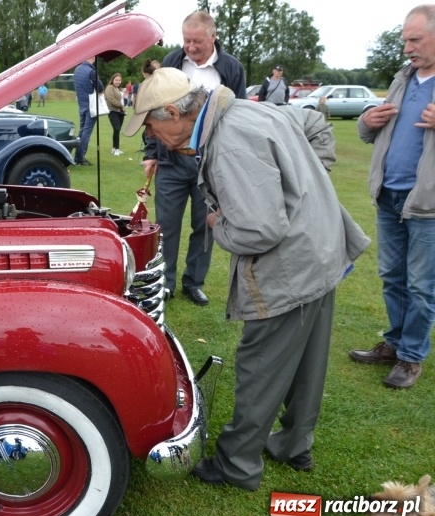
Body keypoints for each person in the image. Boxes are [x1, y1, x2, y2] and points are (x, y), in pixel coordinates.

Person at [124, 67, 370, 491]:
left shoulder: (228, 143)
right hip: (320, 252)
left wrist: (219, 225)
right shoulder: (248, 111)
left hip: (289, 267)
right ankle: (294, 445)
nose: (153, 136)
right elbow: (312, 125)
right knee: (306, 362)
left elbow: (259, 230)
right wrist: (309, 183)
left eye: (150, 125)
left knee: (261, 366)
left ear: (171, 112)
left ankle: (237, 464)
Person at [349, 4, 435, 390]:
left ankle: (411, 356)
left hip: (428, 204)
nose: (407, 48)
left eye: (415, 40)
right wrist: (367, 120)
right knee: (392, 278)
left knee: (420, 284)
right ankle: (395, 343)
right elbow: (372, 130)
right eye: (405, 40)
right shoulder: (404, 78)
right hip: (389, 196)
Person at [140, 11, 246, 306]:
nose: (191, 46)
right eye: (187, 40)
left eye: (197, 40)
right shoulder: (173, 61)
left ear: (213, 36)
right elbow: (153, 110)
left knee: (205, 224)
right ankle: (165, 282)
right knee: (166, 224)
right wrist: (152, 153)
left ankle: (194, 282)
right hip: (171, 159)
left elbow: (237, 115)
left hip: (210, 162)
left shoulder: (232, 68)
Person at [73, 57, 104, 166]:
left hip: (81, 104)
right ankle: (81, 157)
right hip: (91, 104)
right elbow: (100, 87)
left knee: (82, 130)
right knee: (87, 132)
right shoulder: (91, 71)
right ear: (92, 58)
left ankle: (77, 156)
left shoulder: (77, 69)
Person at [104, 73, 127, 156]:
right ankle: (116, 149)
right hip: (112, 111)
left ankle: (115, 148)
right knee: (116, 128)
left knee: (117, 130)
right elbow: (111, 99)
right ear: (112, 80)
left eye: (119, 80)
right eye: (116, 80)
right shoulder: (110, 87)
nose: (118, 81)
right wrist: (121, 106)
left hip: (120, 112)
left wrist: (123, 107)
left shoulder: (118, 89)